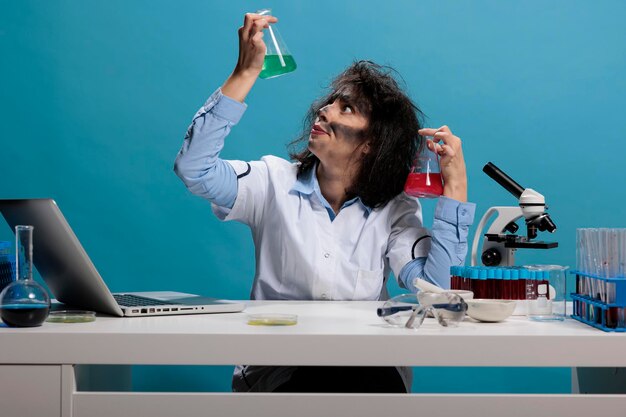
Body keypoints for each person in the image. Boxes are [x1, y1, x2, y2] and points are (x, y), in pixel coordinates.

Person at [174, 12, 475, 393]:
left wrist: (456, 186)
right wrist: (245, 73)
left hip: (368, 372)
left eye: (346, 108)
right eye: (330, 101)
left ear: (371, 145)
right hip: (280, 374)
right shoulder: (271, 182)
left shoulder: (395, 210)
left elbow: (437, 289)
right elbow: (194, 169)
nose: (324, 109)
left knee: (351, 373)